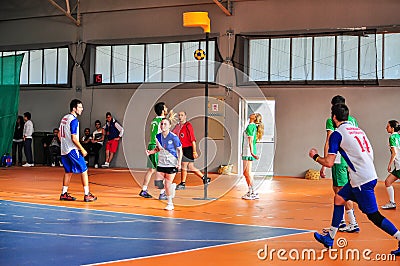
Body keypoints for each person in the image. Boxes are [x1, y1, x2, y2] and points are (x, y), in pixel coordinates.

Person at [309, 103, 400, 255]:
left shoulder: (337, 134)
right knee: (339, 198)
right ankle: (329, 238)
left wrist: (315, 157)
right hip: (365, 175)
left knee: (374, 216)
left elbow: (329, 162)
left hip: (361, 181)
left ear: (334, 117)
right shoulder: (358, 130)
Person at [320, 95, 359, 232]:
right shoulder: (352, 120)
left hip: (338, 159)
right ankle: (341, 221)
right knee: (337, 190)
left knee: (342, 191)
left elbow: (329, 141)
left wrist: (324, 164)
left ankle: (353, 223)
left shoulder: (333, 120)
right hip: (350, 159)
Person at [59, 99, 97, 202]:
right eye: (80, 107)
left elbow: (59, 134)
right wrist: (82, 149)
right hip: (72, 149)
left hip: (63, 150)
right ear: (74, 108)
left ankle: (64, 193)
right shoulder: (74, 120)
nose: (82, 109)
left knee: (68, 171)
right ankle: (87, 194)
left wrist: (64, 144)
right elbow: (74, 138)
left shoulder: (64, 118)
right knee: (84, 169)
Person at [146, 118, 181, 210]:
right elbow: (158, 149)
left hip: (171, 163)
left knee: (167, 185)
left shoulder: (173, 137)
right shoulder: (157, 137)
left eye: (165, 124)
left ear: (169, 126)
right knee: (158, 184)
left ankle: (170, 204)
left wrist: (179, 163)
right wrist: (150, 152)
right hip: (161, 163)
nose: (163, 126)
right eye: (161, 124)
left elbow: (180, 150)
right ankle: (172, 187)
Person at [172, 111, 210, 190]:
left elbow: (193, 139)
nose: (180, 117)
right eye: (179, 115)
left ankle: (183, 183)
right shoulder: (177, 126)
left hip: (188, 148)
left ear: (185, 116)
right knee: (190, 166)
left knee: (184, 165)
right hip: (181, 149)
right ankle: (205, 178)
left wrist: (194, 151)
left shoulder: (188, 126)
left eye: (182, 115)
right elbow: (172, 134)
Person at [139, 102, 168, 199]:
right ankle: (162, 193)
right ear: (163, 110)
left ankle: (144, 189)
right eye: (165, 107)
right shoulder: (163, 121)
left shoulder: (154, 121)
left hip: (151, 144)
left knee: (151, 170)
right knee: (162, 170)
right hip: (157, 146)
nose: (167, 108)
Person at [241, 113, 264, 200]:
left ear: (254, 118)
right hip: (246, 151)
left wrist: (251, 152)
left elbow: (250, 141)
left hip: (247, 152)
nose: (252, 114)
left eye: (254, 114)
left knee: (247, 173)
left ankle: (253, 192)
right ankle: (251, 191)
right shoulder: (252, 126)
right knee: (246, 173)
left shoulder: (251, 126)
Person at [381, 120, 400, 209]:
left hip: (399, 166)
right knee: (388, 182)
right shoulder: (399, 136)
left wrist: (389, 164)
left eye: (388, 126)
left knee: (388, 182)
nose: (386, 128)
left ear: (392, 128)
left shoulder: (392, 137)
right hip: (397, 167)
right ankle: (392, 203)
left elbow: (394, 152)